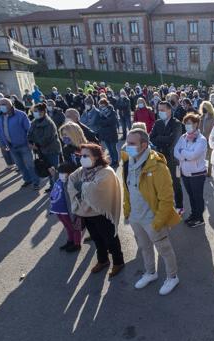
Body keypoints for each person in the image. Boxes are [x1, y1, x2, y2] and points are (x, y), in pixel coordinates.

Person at [122, 129, 181, 295]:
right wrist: (128, 212)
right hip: (135, 217)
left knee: (164, 249)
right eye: (127, 142)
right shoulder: (127, 162)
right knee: (144, 247)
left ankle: (172, 277)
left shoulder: (158, 167)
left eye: (132, 144)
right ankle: (150, 273)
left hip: (152, 219)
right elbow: (127, 189)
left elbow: (167, 199)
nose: (127, 146)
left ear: (144, 145)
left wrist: (158, 221)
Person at [67, 143, 124, 277]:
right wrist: (82, 187)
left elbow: (97, 190)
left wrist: (82, 186)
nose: (82, 158)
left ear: (96, 157)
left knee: (110, 238)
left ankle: (118, 262)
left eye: (86, 155)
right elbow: (71, 180)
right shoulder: (82, 170)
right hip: (86, 212)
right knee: (97, 238)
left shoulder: (106, 172)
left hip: (101, 212)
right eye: (81, 156)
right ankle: (103, 260)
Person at [0, 98, 40, 189]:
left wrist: (31, 142)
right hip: (11, 146)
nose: (1, 107)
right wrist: (3, 144)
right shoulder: (0, 116)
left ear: (10, 105)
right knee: (20, 165)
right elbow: (0, 131)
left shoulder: (20, 115)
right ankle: (27, 180)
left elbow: (29, 129)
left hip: (24, 145)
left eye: (3, 104)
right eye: (0, 105)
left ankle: (36, 182)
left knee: (30, 164)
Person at [174, 114, 208, 227]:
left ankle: (199, 218)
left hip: (197, 173)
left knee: (197, 196)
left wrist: (182, 152)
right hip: (185, 172)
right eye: (186, 123)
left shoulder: (201, 139)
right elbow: (175, 151)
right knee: (191, 196)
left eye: (190, 123)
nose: (188, 125)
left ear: (196, 124)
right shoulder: (183, 137)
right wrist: (184, 155)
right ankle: (194, 214)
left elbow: (194, 155)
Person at [150, 101, 184, 213]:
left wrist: (160, 138)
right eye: (159, 110)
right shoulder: (158, 122)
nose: (160, 112)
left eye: (163, 110)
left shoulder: (177, 124)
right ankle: (165, 204)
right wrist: (164, 138)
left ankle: (179, 206)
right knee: (161, 182)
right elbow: (151, 137)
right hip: (159, 157)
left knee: (176, 183)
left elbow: (173, 140)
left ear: (170, 110)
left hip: (173, 159)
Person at [50, 162, 82, 252]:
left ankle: (77, 244)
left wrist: (75, 212)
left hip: (69, 210)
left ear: (71, 173)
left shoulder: (72, 183)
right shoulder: (59, 179)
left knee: (75, 227)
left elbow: (76, 197)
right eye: (60, 172)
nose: (61, 175)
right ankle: (70, 240)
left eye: (63, 173)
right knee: (67, 226)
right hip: (60, 210)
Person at [96, 98, 120, 168]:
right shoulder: (100, 113)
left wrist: (104, 123)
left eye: (103, 104)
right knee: (109, 149)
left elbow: (113, 121)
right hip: (104, 133)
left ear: (106, 104)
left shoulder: (112, 111)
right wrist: (105, 123)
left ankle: (116, 161)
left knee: (113, 148)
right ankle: (113, 161)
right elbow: (98, 122)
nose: (101, 106)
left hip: (112, 133)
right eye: (100, 105)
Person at [199, 101, 214, 177]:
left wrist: (208, 137)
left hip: (209, 139)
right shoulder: (201, 117)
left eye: (205, 107)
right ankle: (202, 169)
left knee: (210, 156)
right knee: (202, 155)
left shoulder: (213, 118)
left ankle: (209, 171)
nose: (204, 109)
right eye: (203, 107)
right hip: (201, 139)